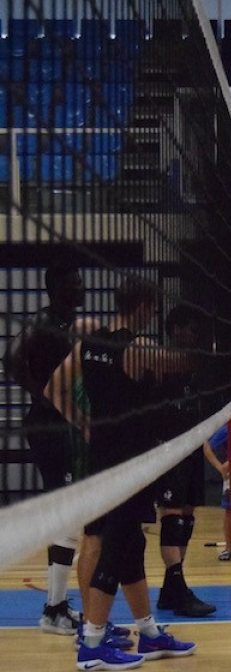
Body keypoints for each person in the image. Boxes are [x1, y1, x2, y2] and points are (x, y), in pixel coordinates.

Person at [56, 277, 196, 670]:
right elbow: (191, 363)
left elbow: (56, 390)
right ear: (144, 305)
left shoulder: (89, 344)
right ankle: (92, 643)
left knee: (131, 545)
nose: (155, 314)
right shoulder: (140, 347)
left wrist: (85, 424)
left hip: (101, 456)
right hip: (130, 463)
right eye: (153, 307)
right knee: (115, 545)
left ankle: (148, 632)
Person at [4, 261, 87, 636]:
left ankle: (57, 605)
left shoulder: (69, 324)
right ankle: (53, 610)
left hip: (62, 423)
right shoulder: (45, 321)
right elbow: (11, 358)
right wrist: (43, 394)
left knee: (68, 514)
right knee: (65, 514)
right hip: (47, 425)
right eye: (75, 282)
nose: (82, 288)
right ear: (58, 288)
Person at [153, 304, 217, 617]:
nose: (194, 334)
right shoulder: (160, 361)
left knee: (188, 515)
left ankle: (170, 590)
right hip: (168, 448)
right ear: (176, 330)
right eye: (190, 329)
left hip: (191, 446)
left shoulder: (196, 365)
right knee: (173, 515)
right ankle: (178, 590)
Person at [201, 425, 231, 561]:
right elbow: (207, 447)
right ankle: (229, 548)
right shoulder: (229, 428)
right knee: (230, 510)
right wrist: (220, 467)